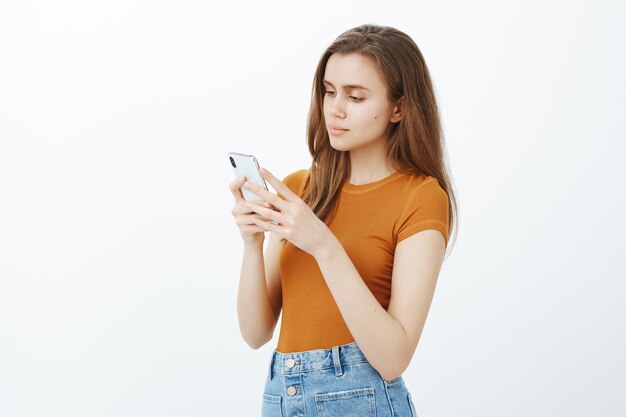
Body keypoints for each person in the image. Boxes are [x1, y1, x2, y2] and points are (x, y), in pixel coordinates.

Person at [229, 23, 458, 417]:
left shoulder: (420, 197)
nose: (335, 108)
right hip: (283, 397)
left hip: (361, 401)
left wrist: (322, 244)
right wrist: (252, 245)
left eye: (355, 96)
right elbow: (255, 334)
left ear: (398, 108)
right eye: (330, 91)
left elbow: (393, 358)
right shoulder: (300, 189)